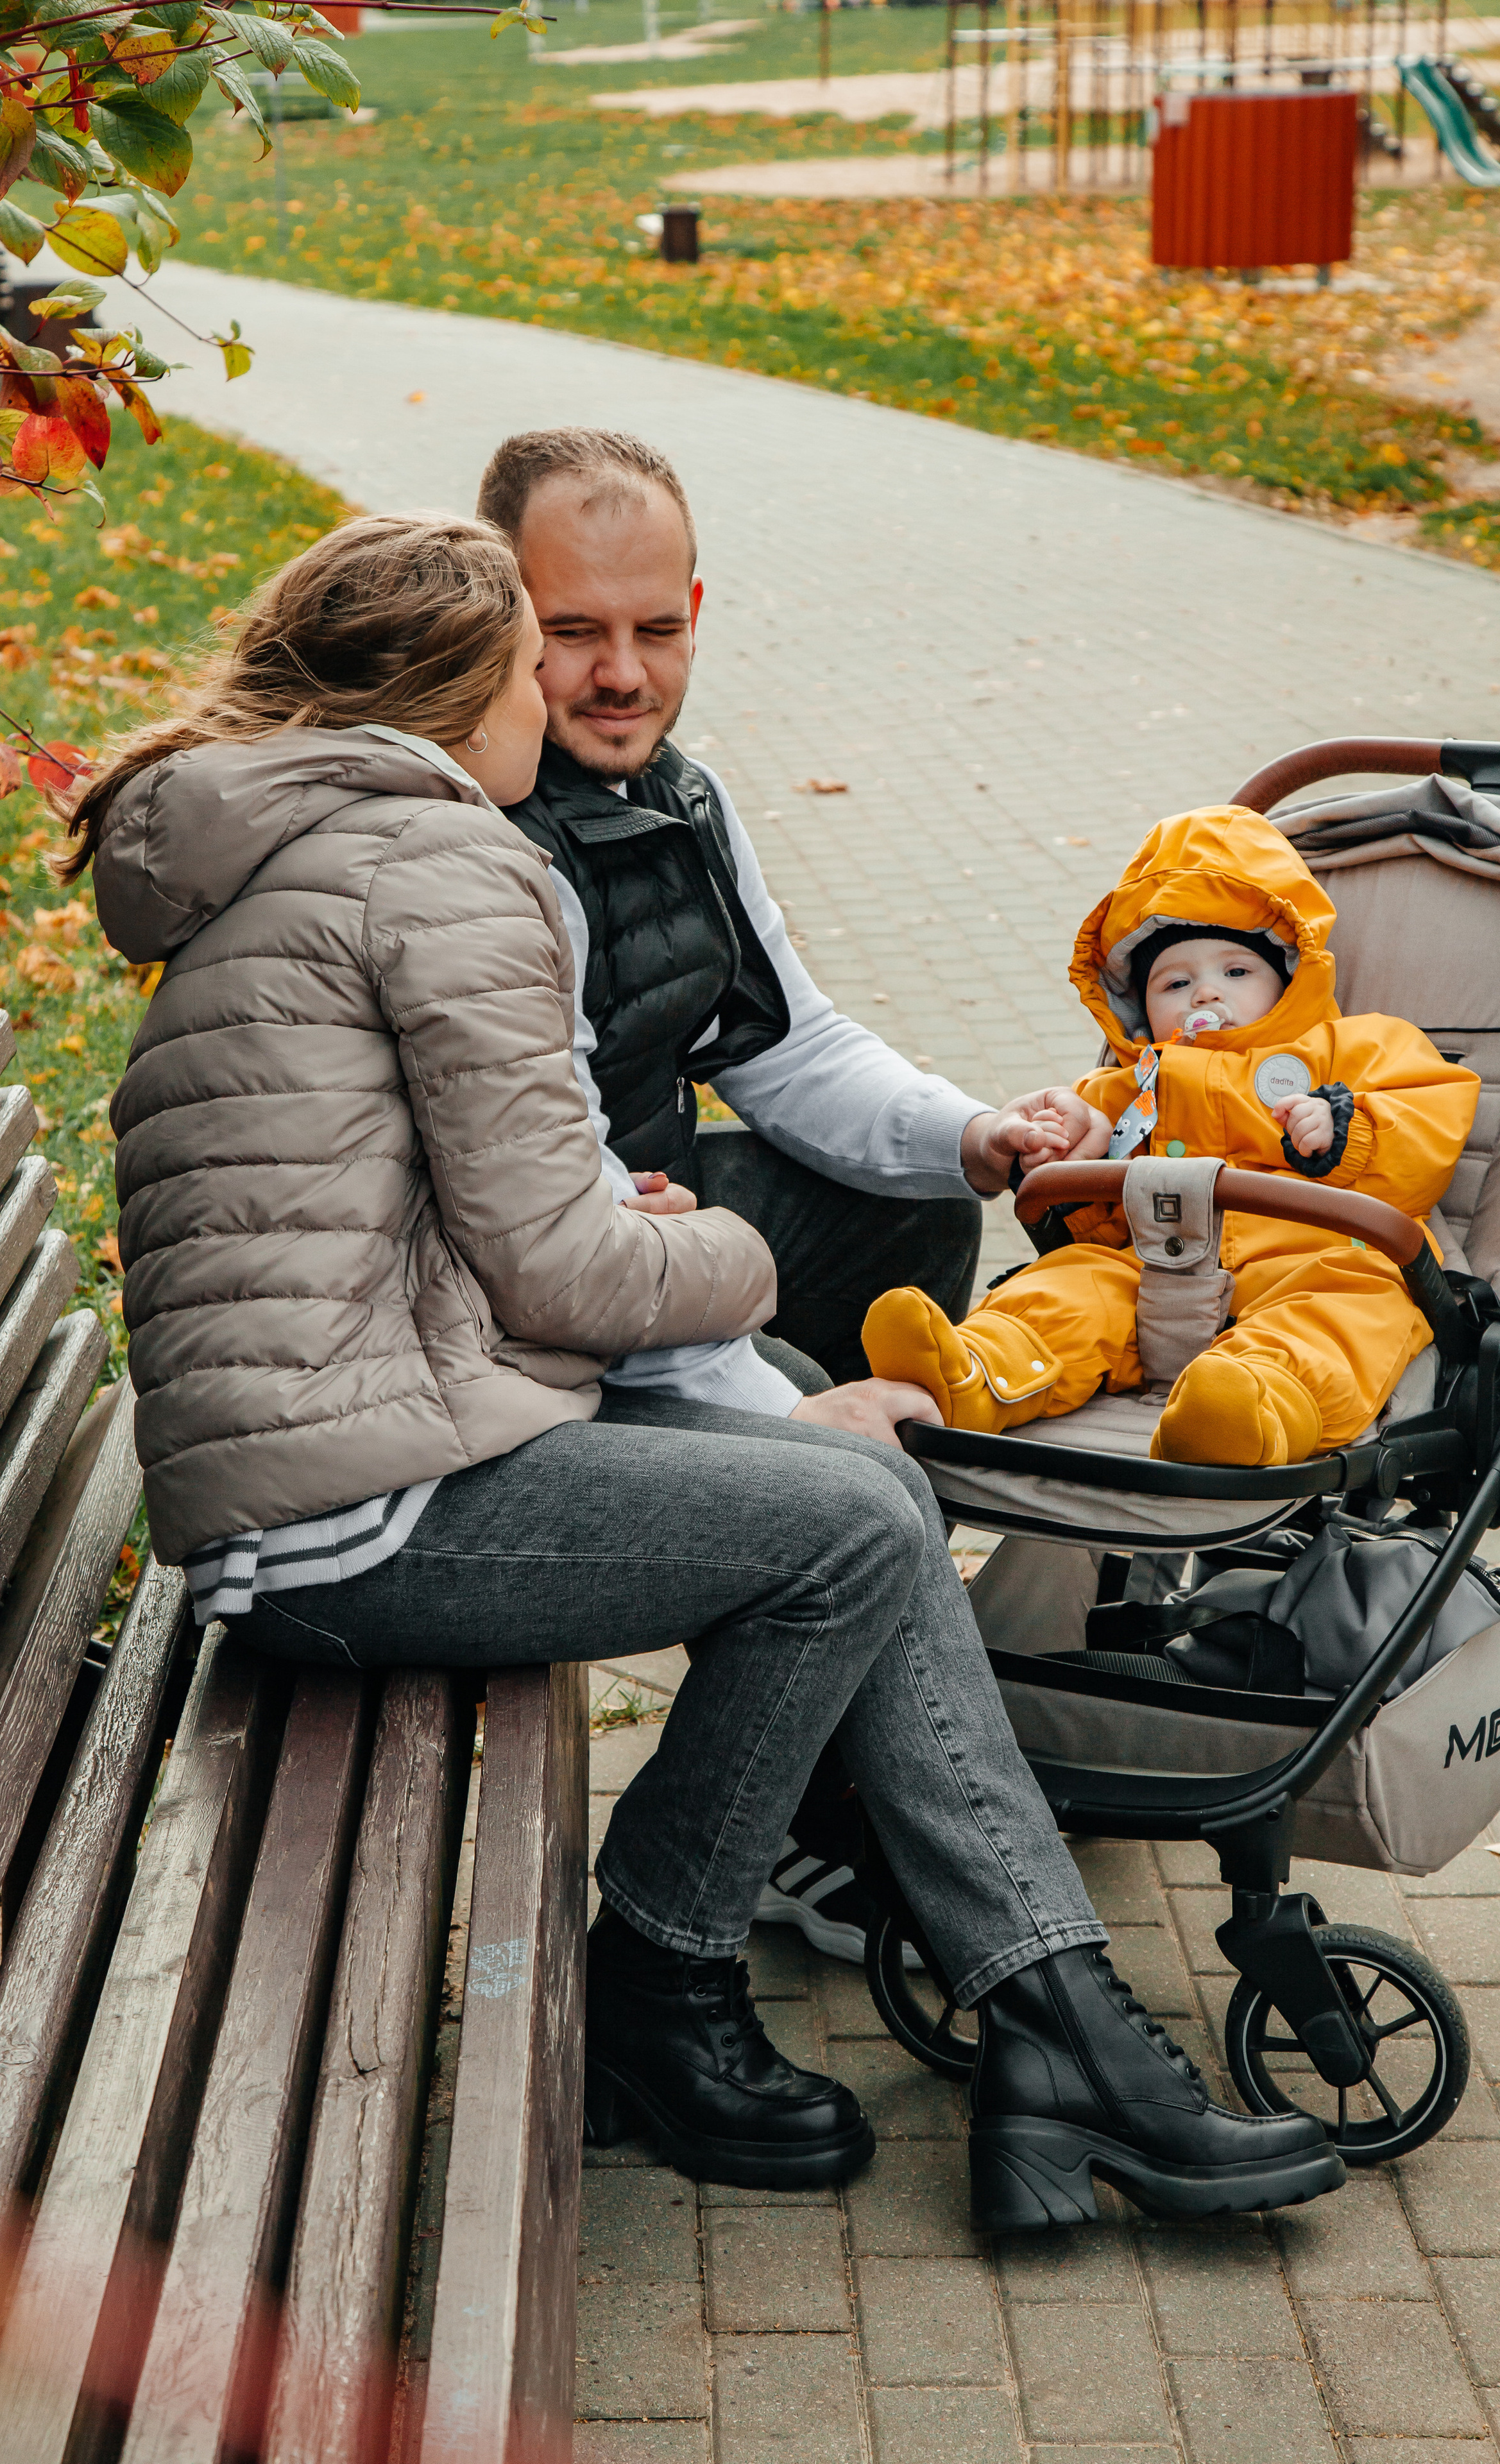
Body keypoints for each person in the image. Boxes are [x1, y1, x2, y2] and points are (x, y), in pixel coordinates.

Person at [67, 513, 1342, 2230]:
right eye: (537, 659)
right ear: (468, 694)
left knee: (857, 1499)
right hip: (355, 1512)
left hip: (328, 1472)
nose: (564, 693)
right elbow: (563, 1270)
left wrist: (618, 1213)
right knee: (857, 1522)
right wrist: (717, 1262)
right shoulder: (440, 863)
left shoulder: (316, 848)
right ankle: (721, 1990)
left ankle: (1048, 2036)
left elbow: (418, 1212)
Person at [473, 425, 1109, 1960]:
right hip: (525, 1316)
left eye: (656, 629)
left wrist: (974, 1136)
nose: (622, 673)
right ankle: (825, 1751)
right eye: (572, 634)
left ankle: (835, 1740)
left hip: (639, 1226)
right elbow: (543, 1240)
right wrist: (776, 1416)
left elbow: (789, 1043)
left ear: (695, 606)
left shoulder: (677, 801)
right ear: (498, 618)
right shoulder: (482, 843)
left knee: (909, 1207)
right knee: (827, 1415)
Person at [865, 803, 1480, 1464]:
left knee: (1351, 1312)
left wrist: (1343, 1127)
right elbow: (1084, 1211)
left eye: (1236, 973)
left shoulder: (1356, 1047)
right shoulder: (1128, 1085)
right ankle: (976, 1370)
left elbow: (1430, 1123)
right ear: (1138, 1004)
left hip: (1311, 1259)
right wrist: (1073, 1143)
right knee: (1071, 1285)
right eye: (1175, 981)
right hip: (1150, 1266)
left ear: (1287, 979)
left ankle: (1252, 1408)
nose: (1203, 995)